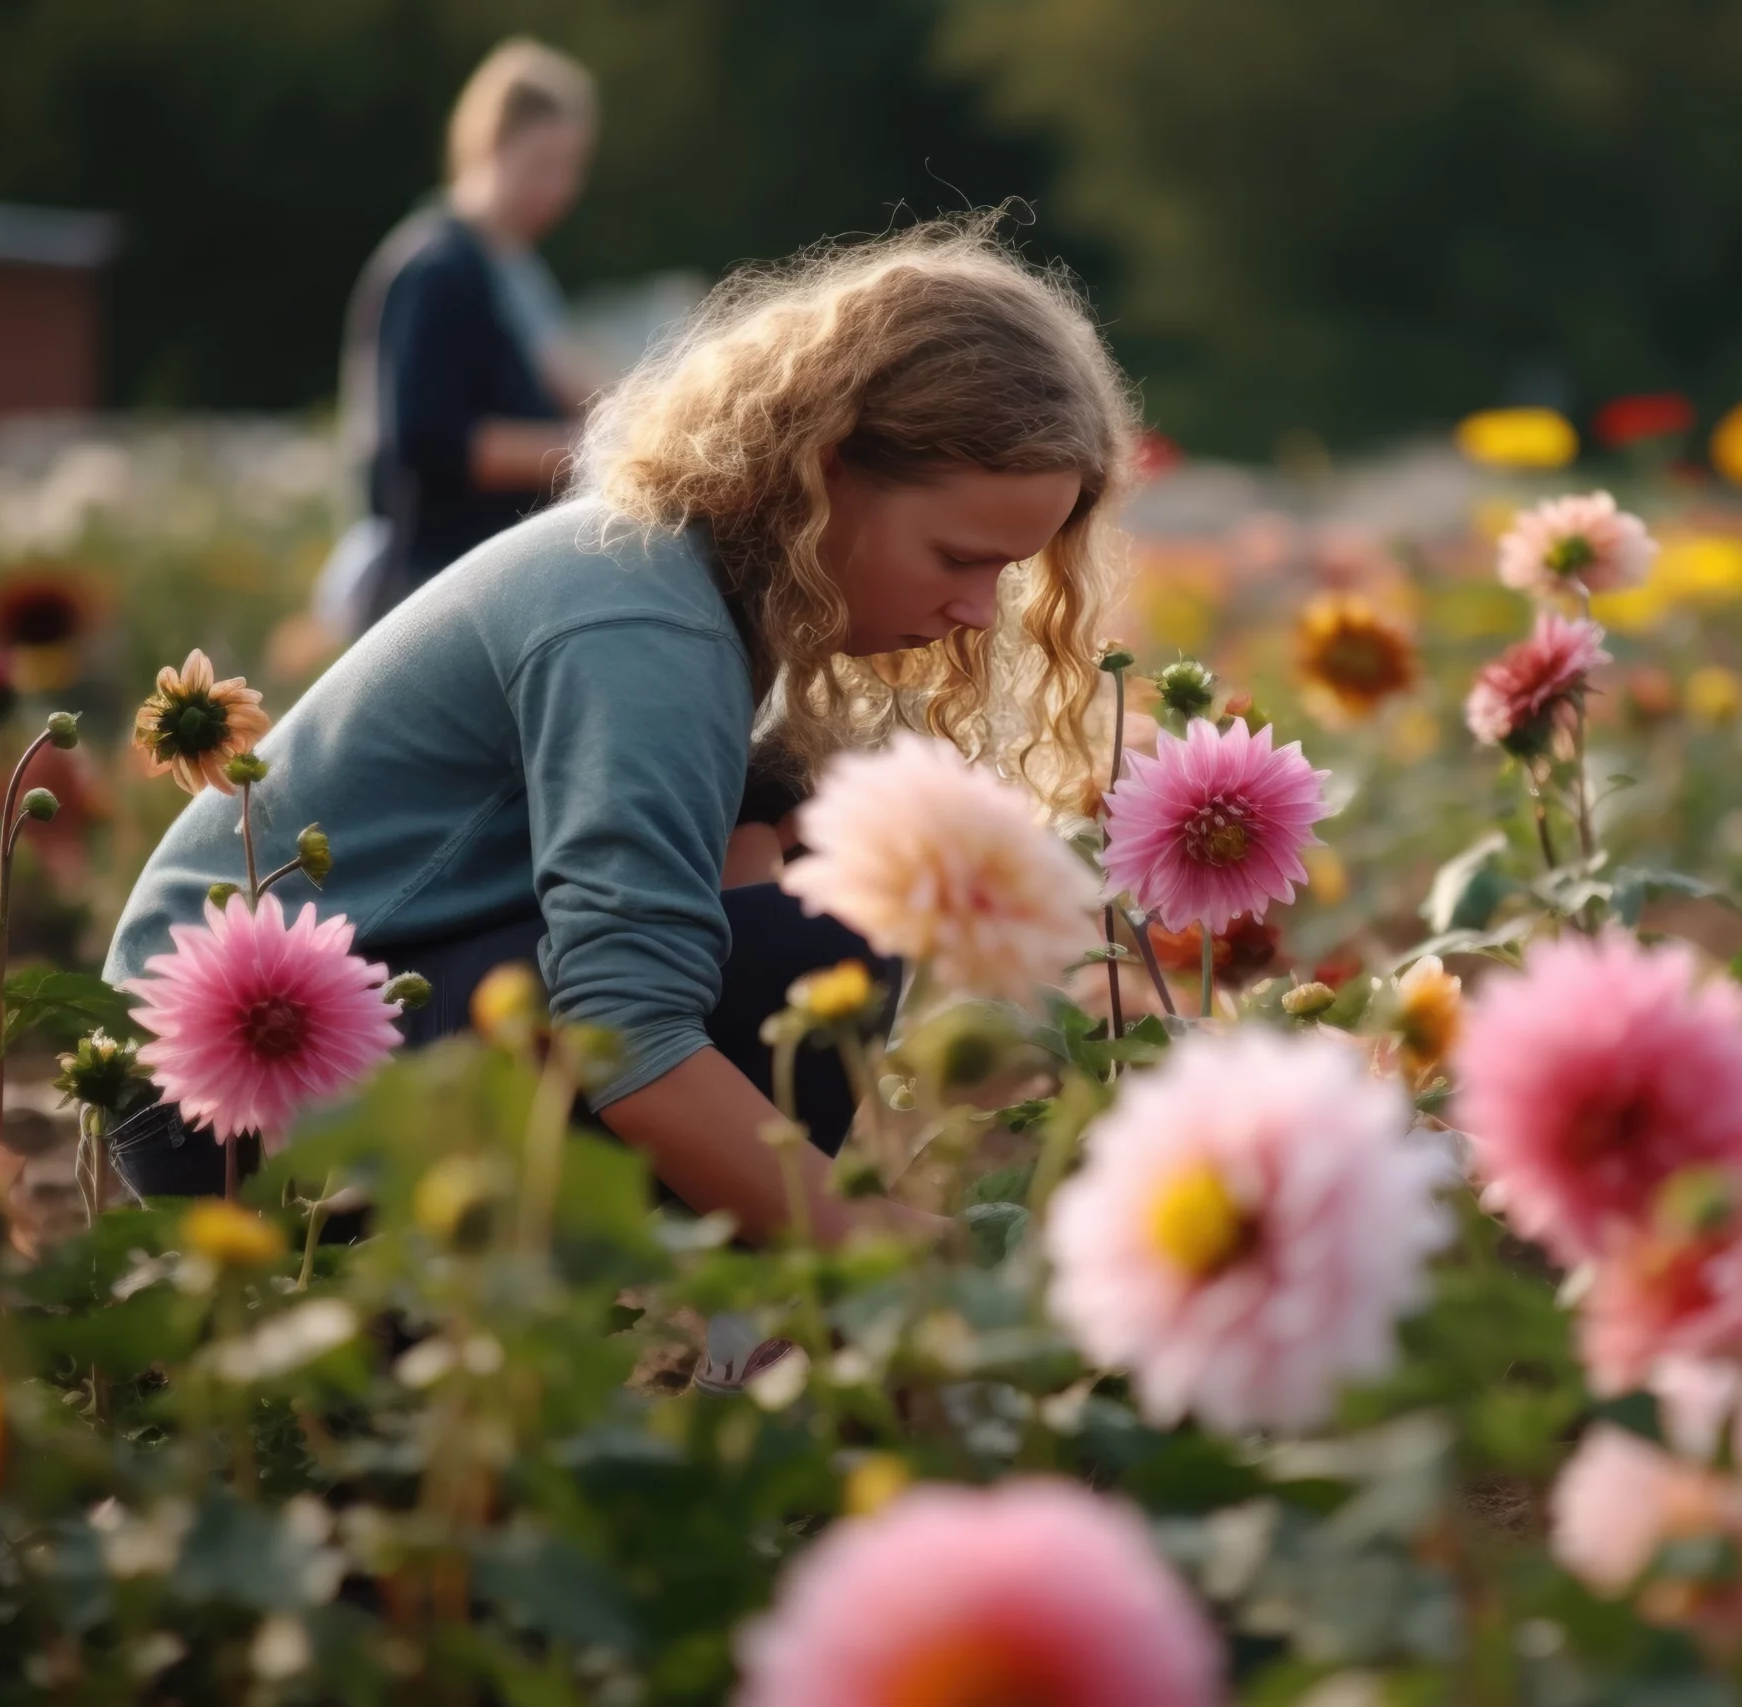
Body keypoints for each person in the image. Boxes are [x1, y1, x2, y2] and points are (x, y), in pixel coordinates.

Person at [103, 217, 1136, 1247]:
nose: (978, 614)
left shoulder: (692, 575)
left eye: (1005, 573)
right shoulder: (642, 622)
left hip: (365, 1002)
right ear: (830, 474)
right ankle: (729, 1323)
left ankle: (729, 1324)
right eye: (958, 557)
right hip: (223, 1080)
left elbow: (714, 913)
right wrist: (898, 1253)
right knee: (819, 943)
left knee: (799, 870)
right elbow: (624, 1031)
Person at [323, 39, 602, 636]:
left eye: (572, 168)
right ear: (491, 145)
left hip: (471, 582)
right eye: (543, 165)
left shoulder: (508, 270)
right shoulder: (437, 270)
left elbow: (573, 379)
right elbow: (429, 440)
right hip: (430, 588)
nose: (560, 189)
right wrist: (588, 453)